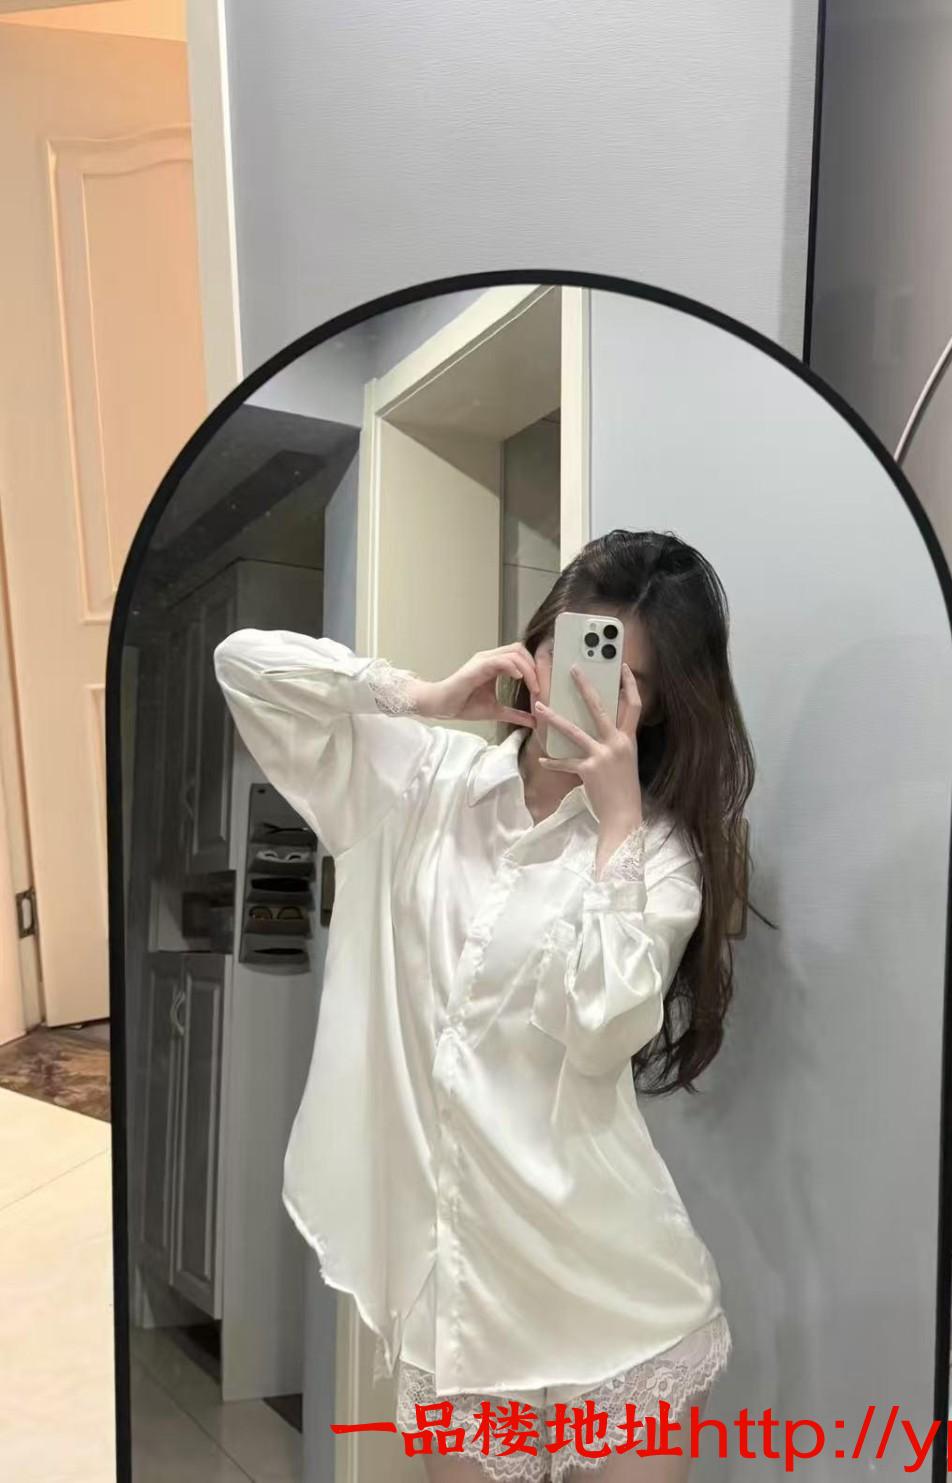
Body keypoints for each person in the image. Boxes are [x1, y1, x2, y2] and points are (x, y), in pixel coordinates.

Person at [213, 528, 759, 1481]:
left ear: (658, 702)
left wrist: (617, 822)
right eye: (567, 645)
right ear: (537, 637)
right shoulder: (421, 782)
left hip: (617, 1297)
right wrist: (419, 696)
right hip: (462, 1308)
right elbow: (246, 667)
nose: (576, 682)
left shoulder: (657, 855)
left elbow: (601, 1030)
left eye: (617, 676)